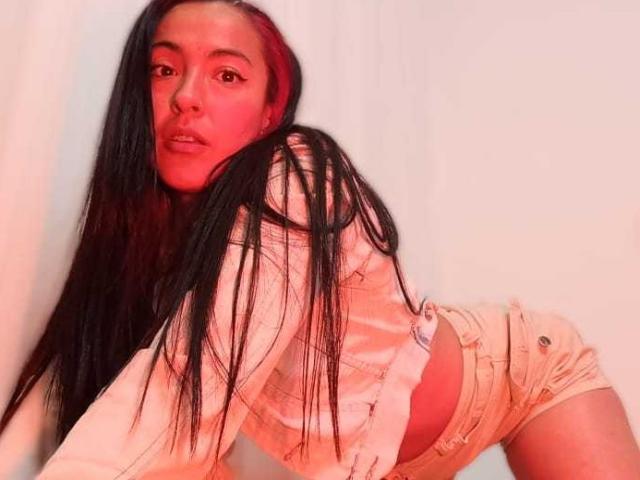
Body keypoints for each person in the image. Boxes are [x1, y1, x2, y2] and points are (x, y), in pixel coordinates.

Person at [1, 0, 639, 478]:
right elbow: (189, 441)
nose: (186, 98)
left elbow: (175, 396)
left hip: (517, 378)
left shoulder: (298, 178)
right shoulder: (147, 253)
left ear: (270, 110)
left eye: (227, 76)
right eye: (165, 69)